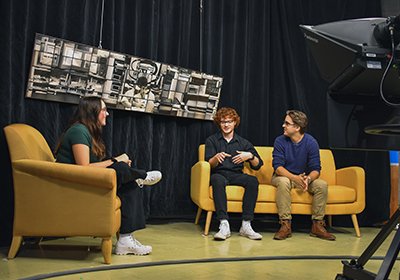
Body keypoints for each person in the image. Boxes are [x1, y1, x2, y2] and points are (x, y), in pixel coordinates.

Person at [55, 96, 162, 255]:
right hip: (74, 187)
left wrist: (116, 163)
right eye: (104, 110)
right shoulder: (79, 131)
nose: (107, 114)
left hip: (83, 183)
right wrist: (116, 161)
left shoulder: (88, 132)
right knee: (119, 167)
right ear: (93, 112)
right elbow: (84, 168)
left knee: (129, 185)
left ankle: (125, 239)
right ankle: (140, 176)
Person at [271, 110, 335, 241]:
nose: (283, 126)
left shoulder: (311, 142)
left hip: (304, 177)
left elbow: (316, 168)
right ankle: (285, 224)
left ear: (297, 127)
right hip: (284, 177)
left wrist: (308, 179)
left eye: (287, 123)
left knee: (321, 184)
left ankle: (317, 225)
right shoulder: (280, 141)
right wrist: (295, 178)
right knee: (283, 182)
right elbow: (278, 168)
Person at [205, 107, 264, 241]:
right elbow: (209, 164)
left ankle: (246, 224)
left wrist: (249, 156)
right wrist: (216, 158)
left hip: (236, 174)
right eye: (223, 122)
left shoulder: (243, 142)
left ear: (235, 123)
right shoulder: (212, 140)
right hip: (219, 173)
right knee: (217, 180)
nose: (226, 125)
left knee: (252, 181)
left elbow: (258, 165)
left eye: (229, 121)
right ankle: (224, 224)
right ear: (219, 123)